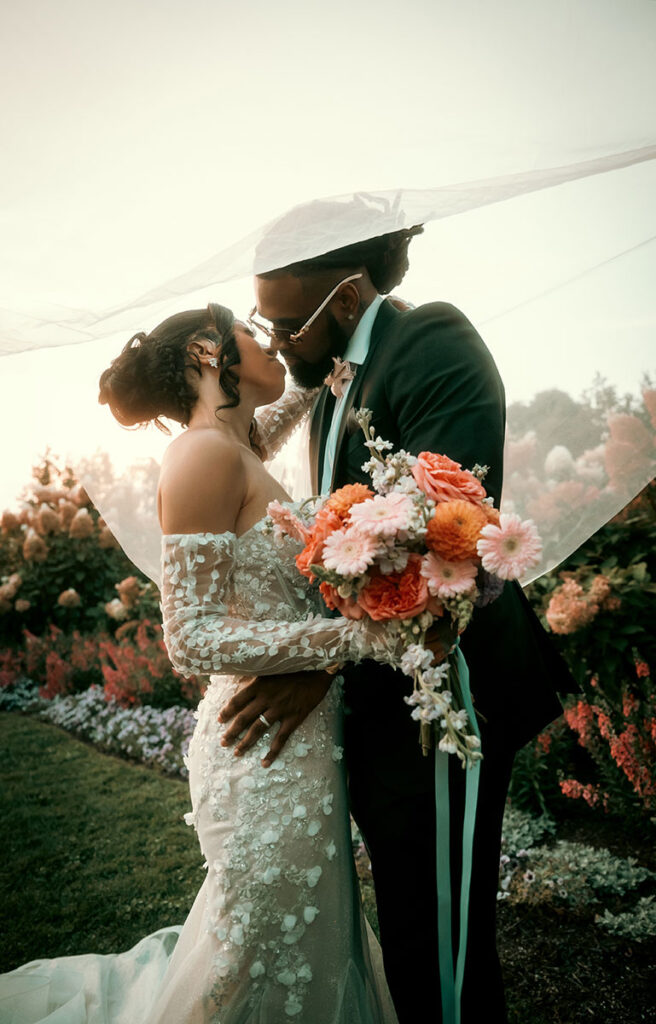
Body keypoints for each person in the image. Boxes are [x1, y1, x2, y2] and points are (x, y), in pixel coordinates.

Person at [0, 303, 407, 1023]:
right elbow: (188, 638)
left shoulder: (238, 441)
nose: (273, 339)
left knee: (305, 937)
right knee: (262, 952)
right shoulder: (202, 455)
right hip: (259, 755)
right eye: (256, 331)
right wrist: (354, 642)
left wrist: (349, 324)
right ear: (206, 350)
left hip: (298, 746)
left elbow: (283, 400)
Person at [217, 227, 579, 1024]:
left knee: (443, 940)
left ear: (345, 298)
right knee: (411, 925)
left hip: (447, 696)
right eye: (265, 323)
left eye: (287, 324)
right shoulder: (329, 383)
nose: (278, 340)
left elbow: (440, 539)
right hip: (383, 699)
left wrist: (316, 666)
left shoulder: (431, 342)